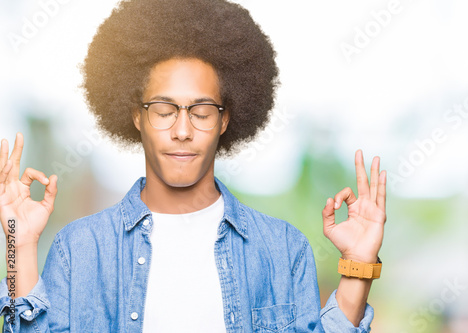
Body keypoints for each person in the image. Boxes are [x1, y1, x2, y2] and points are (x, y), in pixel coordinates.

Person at [0, 0, 387, 332]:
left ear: (224, 120)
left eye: (201, 112)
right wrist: (18, 244)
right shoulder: (81, 249)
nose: (182, 130)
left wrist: (358, 266)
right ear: (137, 116)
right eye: (164, 110)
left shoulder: (283, 249)